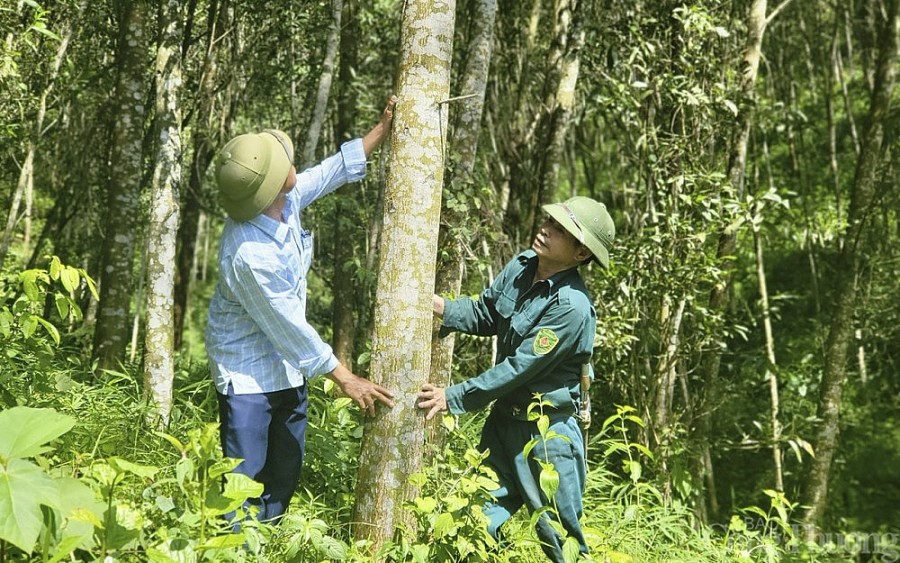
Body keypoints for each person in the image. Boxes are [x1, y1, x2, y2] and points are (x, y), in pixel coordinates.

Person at [205, 97, 398, 526]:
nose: (292, 162)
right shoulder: (248, 252)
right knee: (244, 478)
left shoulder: (282, 203)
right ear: (272, 185)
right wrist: (346, 378)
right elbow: (287, 327)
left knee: (285, 470)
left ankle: (267, 540)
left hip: (288, 366)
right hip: (247, 372)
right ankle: (236, 549)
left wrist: (380, 132)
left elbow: (326, 174)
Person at [417, 196, 615, 562]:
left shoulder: (571, 307)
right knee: (473, 524)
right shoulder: (523, 265)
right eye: (549, 222)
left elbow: (518, 368)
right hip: (503, 426)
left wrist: (454, 396)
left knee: (562, 545)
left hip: (546, 439)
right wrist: (438, 305)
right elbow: (486, 312)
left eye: (561, 230)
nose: (546, 230)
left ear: (580, 253)